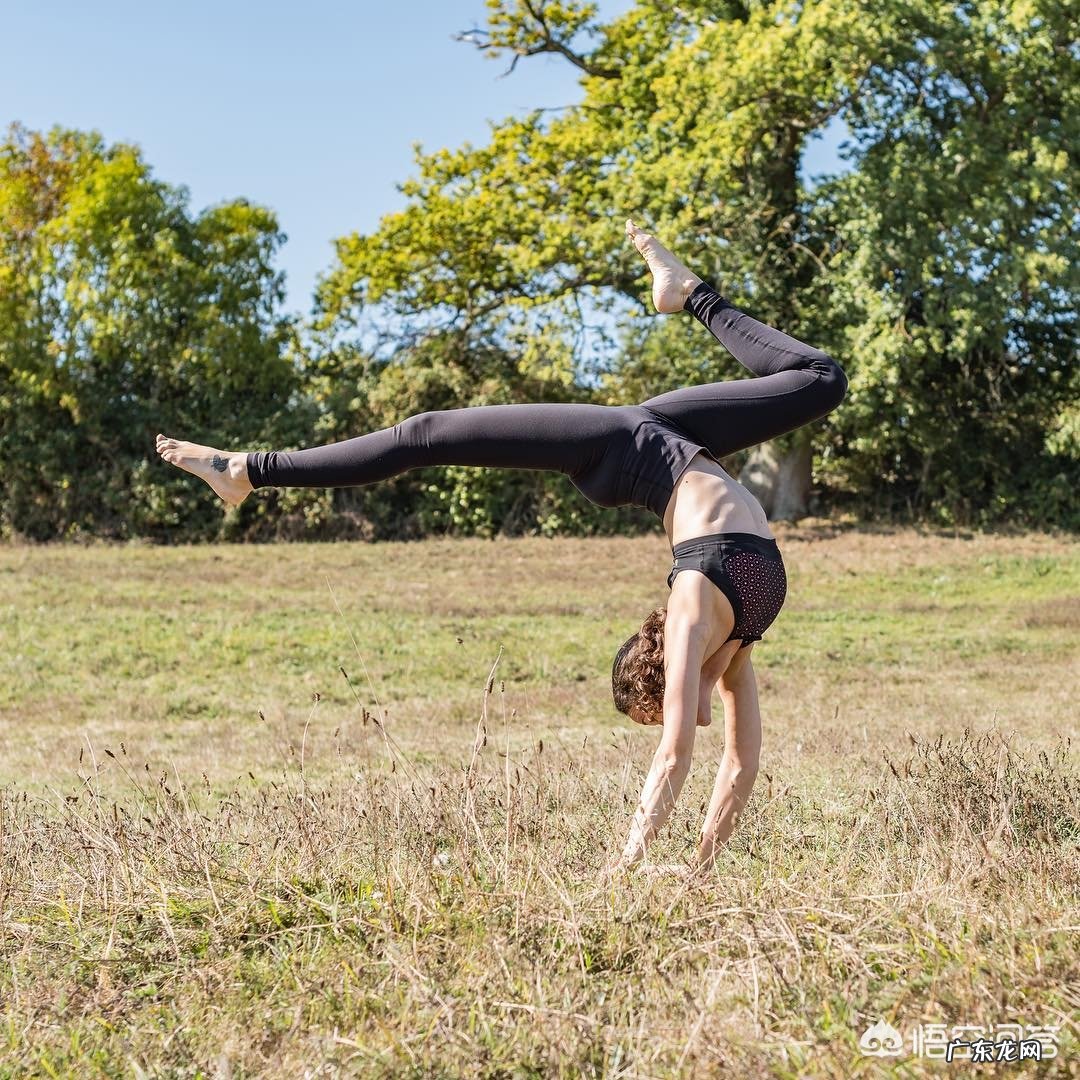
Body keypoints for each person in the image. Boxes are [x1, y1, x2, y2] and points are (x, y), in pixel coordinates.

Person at [157, 219, 847, 874]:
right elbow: (722, 759)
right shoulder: (733, 641)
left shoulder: (701, 615)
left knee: (426, 433)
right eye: (659, 712)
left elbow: (699, 757)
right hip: (660, 445)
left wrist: (644, 864)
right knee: (817, 379)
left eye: (657, 708)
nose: (672, 718)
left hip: (627, 447)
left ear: (663, 673)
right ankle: (248, 470)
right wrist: (676, 869)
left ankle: (246, 469)